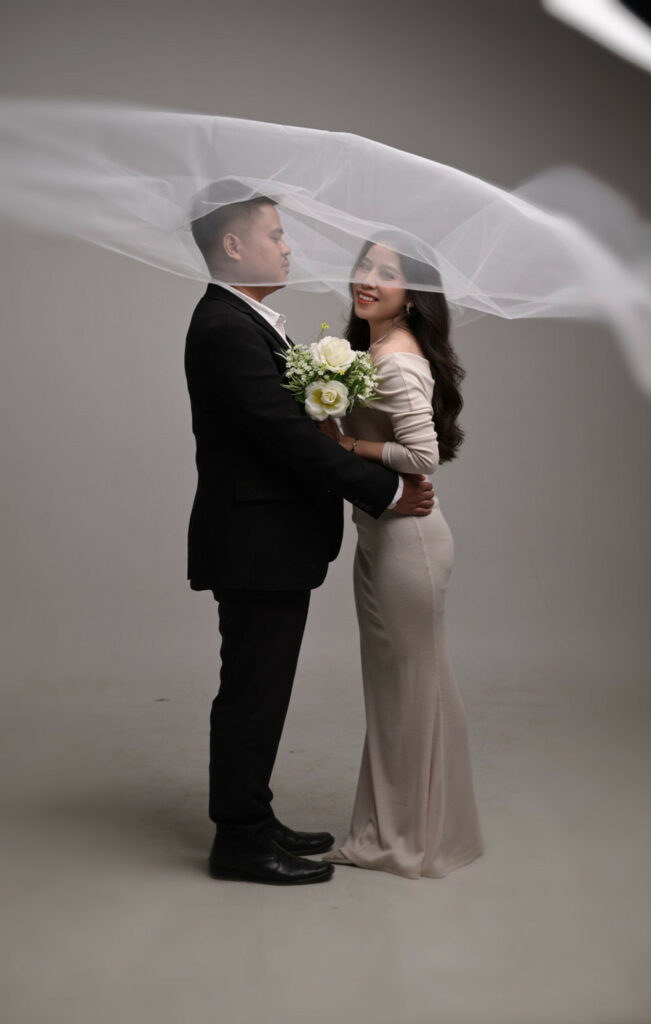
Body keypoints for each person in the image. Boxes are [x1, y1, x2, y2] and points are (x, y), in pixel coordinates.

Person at [184, 194, 436, 885]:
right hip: (254, 544)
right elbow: (289, 440)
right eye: (275, 234)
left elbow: (296, 433)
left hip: (269, 542)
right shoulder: (226, 328)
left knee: (261, 687)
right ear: (234, 246)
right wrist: (387, 492)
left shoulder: (244, 322)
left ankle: (253, 816)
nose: (288, 246)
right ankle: (239, 840)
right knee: (252, 691)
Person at [321, 241, 484, 878]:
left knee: (413, 688)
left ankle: (411, 839)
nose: (367, 280)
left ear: (412, 296)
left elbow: (423, 457)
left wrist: (345, 444)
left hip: (406, 542)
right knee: (399, 689)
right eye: (364, 267)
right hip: (381, 535)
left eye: (386, 274)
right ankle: (409, 829)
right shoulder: (374, 351)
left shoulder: (395, 360)